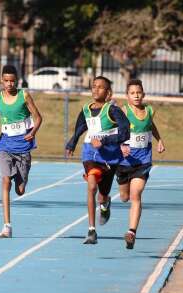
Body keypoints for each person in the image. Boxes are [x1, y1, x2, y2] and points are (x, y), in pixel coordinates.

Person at [65, 76, 130, 244]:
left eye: (101, 87)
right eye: (94, 86)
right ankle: (91, 230)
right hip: (89, 154)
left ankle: (105, 203)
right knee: (91, 185)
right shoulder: (86, 109)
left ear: (108, 93)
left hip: (110, 157)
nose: (96, 89)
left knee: (102, 195)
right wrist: (72, 142)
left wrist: (104, 141)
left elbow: (125, 133)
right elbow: (80, 127)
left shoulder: (113, 110)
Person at [0, 65, 43, 238]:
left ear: (16, 81)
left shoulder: (24, 95)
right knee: (5, 181)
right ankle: (7, 226)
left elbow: (38, 117)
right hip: (4, 144)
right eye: (6, 81)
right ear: (2, 81)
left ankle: (23, 179)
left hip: (23, 146)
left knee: (20, 190)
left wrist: (32, 132)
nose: (9, 84)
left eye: (12, 81)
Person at [114, 79, 165, 249]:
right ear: (127, 95)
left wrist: (159, 140)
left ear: (143, 94)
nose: (136, 95)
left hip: (143, 160)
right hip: (124, 161)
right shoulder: (123, 111)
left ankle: (131, 232)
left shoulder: (150, 110)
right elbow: (115, 132)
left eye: (139, 92)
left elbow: (151, 126)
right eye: (132, 93)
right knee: (124, 197)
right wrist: (121, 145)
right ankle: (108, 201)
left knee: (136, 195)